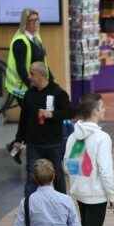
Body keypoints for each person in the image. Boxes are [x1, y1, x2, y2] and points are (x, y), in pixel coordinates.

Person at [65, 93, 114, 226]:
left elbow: (67, 164)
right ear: (94, 111)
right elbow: (105, 170)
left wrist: (79, 182)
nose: (105, 110)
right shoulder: (102, 138)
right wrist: (111, 195)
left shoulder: (73, 135)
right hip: (96, 194)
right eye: (102, 107)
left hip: (79, 191)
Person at [13, 61, 72, 195]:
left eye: (32, 74)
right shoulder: (29, 94)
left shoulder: (58, 92)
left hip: (53, 144)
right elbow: (24, 119)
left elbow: (69, 112)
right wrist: (18, 139)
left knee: (57, 175)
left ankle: (62, 203)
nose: (29, 77)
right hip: (34, 144)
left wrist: (52, 114)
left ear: (41, 75)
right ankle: (29, 207)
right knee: (31, 177)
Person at [5, 8, 51, 100]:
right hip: (23, 88)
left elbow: (43, 63)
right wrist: (33, 88)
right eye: (32, 20)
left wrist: (51, 81)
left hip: (38, 85)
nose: (36, 23)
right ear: (25, 23)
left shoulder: (36, 38)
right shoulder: (20, 42)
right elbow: (21, 69)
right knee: (33, 113)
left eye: (37, 20)